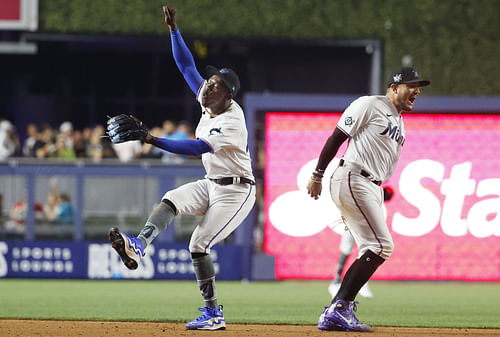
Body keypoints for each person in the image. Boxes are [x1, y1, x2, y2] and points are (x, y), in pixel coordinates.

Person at [107, 5, 255, 331]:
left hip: (237, 191)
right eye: (210, 81)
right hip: (213, 181)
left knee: (198, 244)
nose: (208, 85)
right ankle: (138, 245)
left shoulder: (232, 119)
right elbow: (186, 65)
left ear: (228, 95)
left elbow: (197, 148)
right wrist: (174, 30)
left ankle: (213, 312)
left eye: (215, 84)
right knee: (171, 198)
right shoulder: (209, 99)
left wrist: (151, 139)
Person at [307, 67, 430, 332]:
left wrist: (380, 190)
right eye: (412, 85)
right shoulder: (370, 104)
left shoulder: (399, 122)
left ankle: (338, 310)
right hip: (353, 177)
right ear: (395, 87)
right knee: (381, 246)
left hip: (370, 184)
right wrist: (317, 174)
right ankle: (339, 307)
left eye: (419, 87)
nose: (417, 91)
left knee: (371, 249)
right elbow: (337, 137)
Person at [328, 185, 394, 300]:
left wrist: (382, 192)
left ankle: (362, 282)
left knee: (369, 249)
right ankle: (336, 280)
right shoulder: (356, 177)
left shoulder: (377, 178)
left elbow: (388, 193)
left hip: (368, 214)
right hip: (355, 213)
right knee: (347, 247)